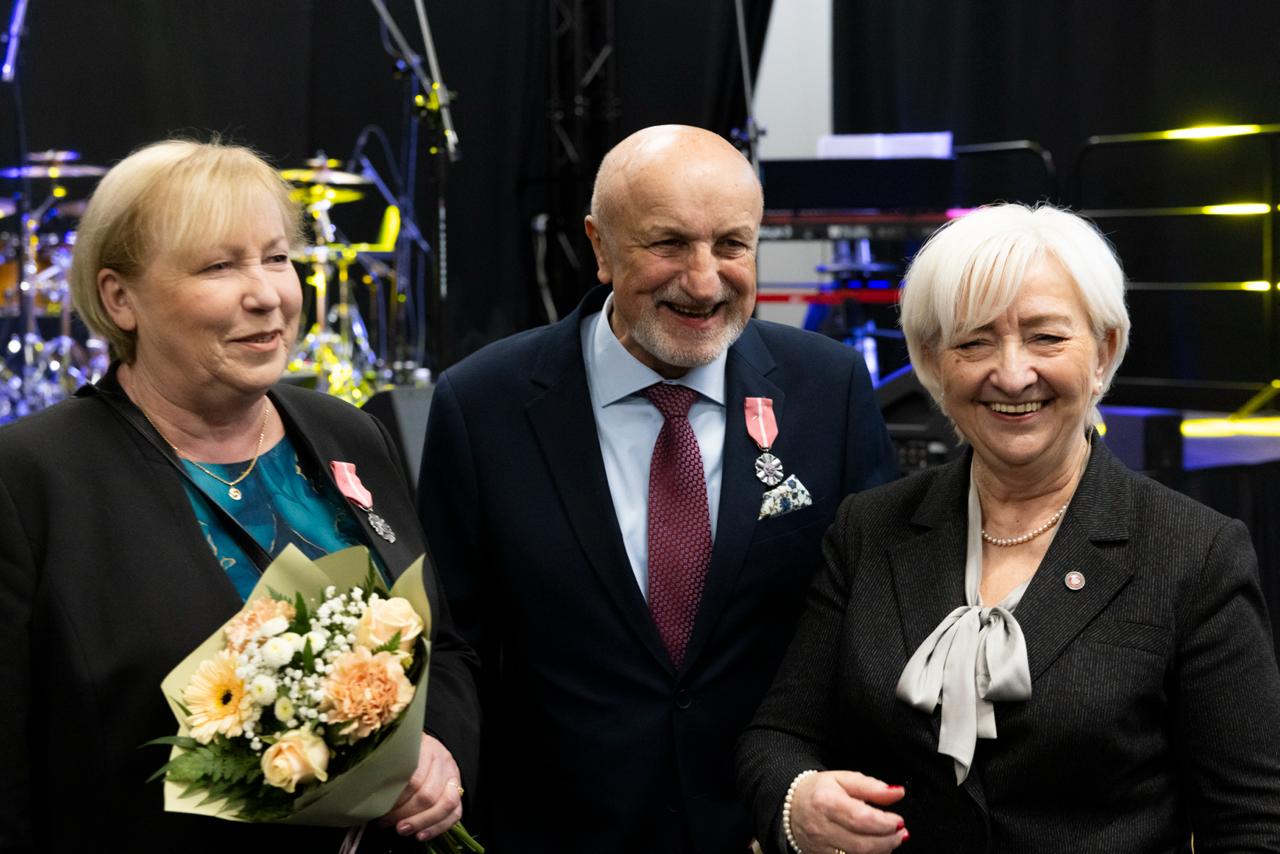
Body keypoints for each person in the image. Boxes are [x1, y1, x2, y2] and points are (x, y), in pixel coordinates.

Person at [737, 203, 1280, 853]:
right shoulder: (870, 528)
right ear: (933, 361)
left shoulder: (1195, 553)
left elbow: (1250, 824)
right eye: (974, 342)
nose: (1013, 373)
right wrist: (796, 801)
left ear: (1104, 351)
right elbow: (779, 735)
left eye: (1046, 337)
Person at [417, 124, 898, 853]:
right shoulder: (483, 405)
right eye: (669, 244)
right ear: (600, 246)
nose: (703, 281)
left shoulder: (827, 390)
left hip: (766, 829)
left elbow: (872, 625)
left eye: (732, 245)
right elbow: (453, 642)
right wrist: (441, 762)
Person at [0, 139, 480, 851]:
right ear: (119, 298)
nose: (267, 294)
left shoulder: (349, 431)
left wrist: (437, 747)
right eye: (219, 267)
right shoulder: (31, 476)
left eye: (277, 258)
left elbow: (448, 649)